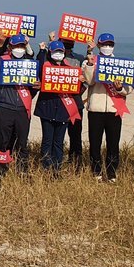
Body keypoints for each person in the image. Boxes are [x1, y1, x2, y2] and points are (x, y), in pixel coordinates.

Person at [82, 33, 131, 183]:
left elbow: (128, 88)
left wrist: (120, 88)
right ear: (98, 45)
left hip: (114, 108)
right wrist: (90, 64)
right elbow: (89, 81)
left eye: (110, 45)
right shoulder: (90, 61)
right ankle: (96, 172)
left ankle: (111, 173)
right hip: (96, 109)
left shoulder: (120, 63)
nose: (107, 47)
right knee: (95, 142)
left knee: (113, 143)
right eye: (104, 44)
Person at [0, 34, 38, 170]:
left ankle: (22, 170)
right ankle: (0, 168)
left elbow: (33, 86)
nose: (19, 49)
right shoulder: (3, 61)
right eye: (16, 46)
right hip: (5, 107)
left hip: (22, 108)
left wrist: (35, 88)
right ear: (10, 47)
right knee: (3, 140)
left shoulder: (29, 64)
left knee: (22, 142)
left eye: (22, 46)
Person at [34, 40, 85, 174]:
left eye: (61, 52)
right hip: (47, 108)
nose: (58, 54)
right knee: (47, 140)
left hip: (63, 110)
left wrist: (81, 82)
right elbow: (38, 66)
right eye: (55, 51)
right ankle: (46, 168)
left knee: (58, 141)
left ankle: (56, 169)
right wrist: (41, 50)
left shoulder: (69, 69)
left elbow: (78, 90)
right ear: (50, 53)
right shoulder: (45, 66)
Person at [59, 34, 86, 168]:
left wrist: (78, 92)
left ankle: (76, 161)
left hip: (75, 103)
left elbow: (87, 79)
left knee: (75, 134)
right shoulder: (54, 59)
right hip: (59, 102)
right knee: (58, 134)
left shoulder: (80, 59)